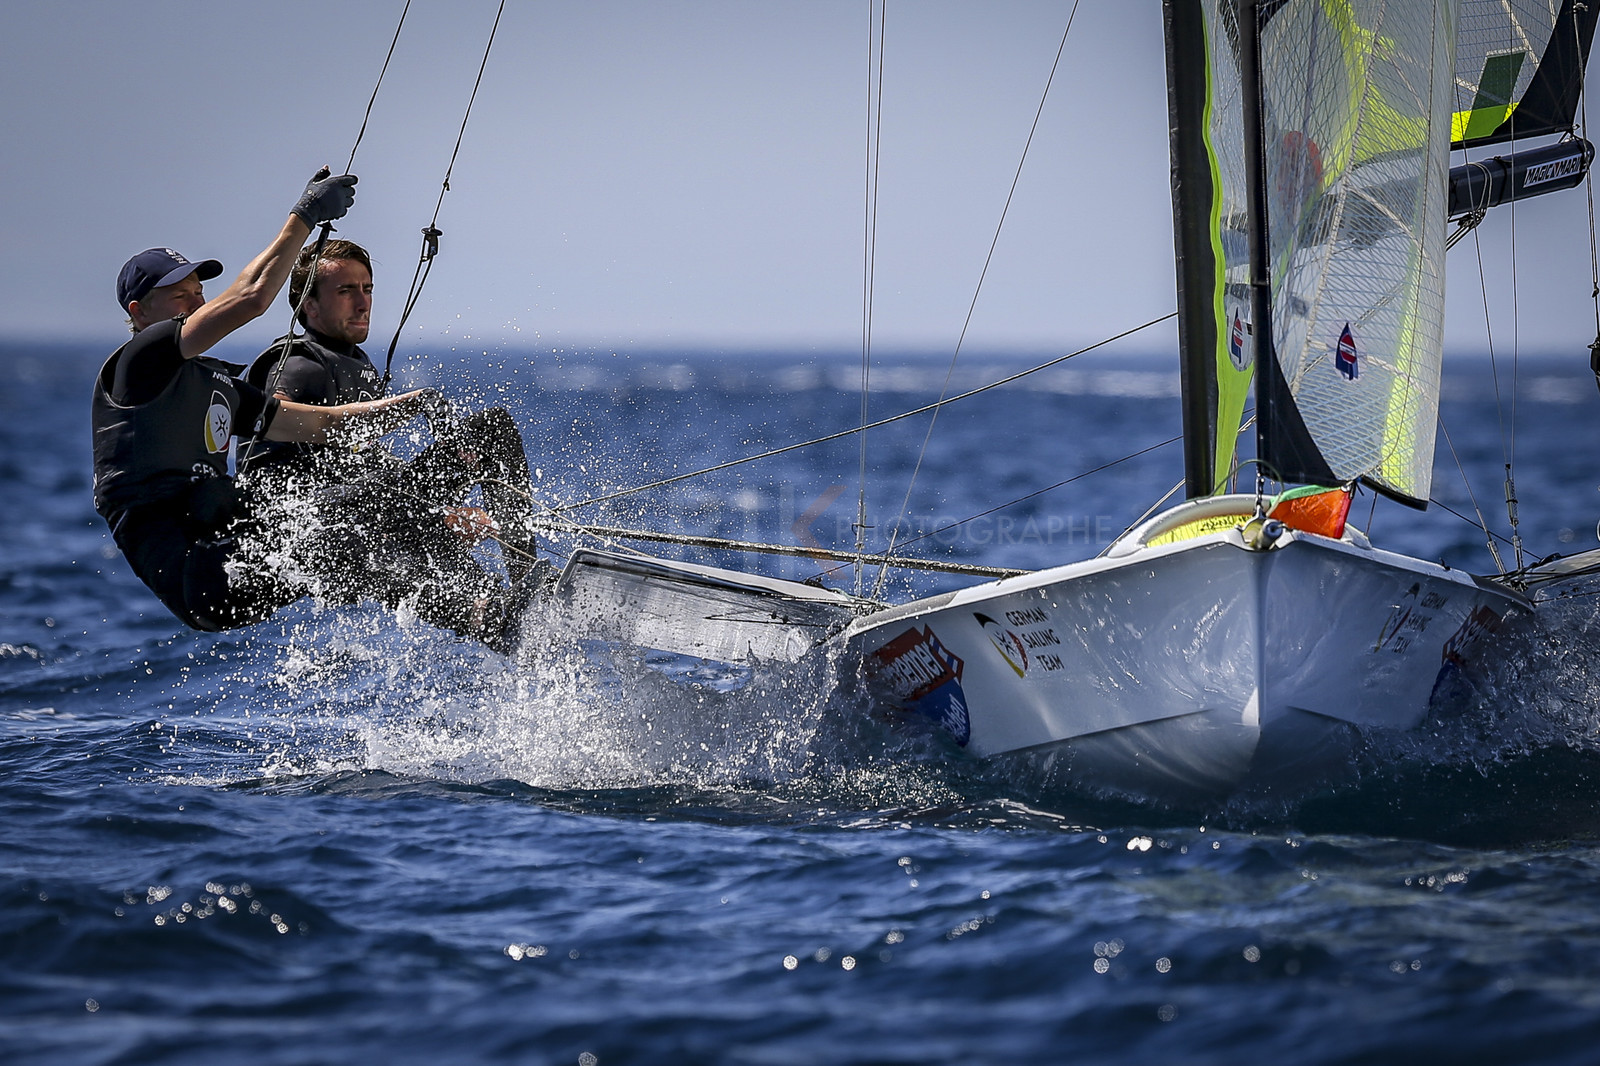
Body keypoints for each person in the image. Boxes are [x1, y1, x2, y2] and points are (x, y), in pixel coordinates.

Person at [91, 169, 446, 635]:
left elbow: (323, 425)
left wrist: (407, 406)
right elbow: (250, 298)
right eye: (180, 297)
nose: (196, 305)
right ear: (138, 313)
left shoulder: (214, 384)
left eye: (199, 294)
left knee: (363, 522)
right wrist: (304, 215)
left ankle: (500, 615)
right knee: (345, 519)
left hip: (236, 549)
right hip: (203, 578)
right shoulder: (137, 364)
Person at [236, 238, 545, 639]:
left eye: (367, 289)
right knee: (480, 440)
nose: (362, 303)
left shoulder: (351, 362)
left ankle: (507, 604)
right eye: (345, 291)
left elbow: (358, 460)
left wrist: (445, 511)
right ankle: (504, 595)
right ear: (309, 305)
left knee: (489, 435)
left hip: (364, 506)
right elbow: (270, 416)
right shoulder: (297, 362)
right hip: (308, 524)